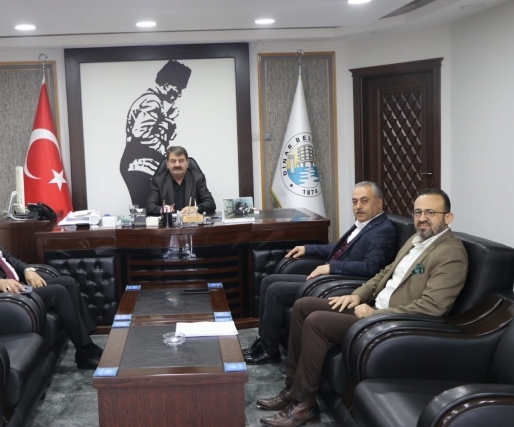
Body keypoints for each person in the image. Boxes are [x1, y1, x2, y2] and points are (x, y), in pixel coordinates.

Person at [256, 188, 468, 427]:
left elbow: (432, 307)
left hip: (390, 322)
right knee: (303, 306)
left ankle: (304, 405)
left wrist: (375, 313)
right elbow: (385, 273)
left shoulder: (451, 253)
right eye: (418, 212)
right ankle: (292, 389)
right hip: (372, 307)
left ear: (448, 217)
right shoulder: (416, 239)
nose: (422, 218)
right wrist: (357, 295)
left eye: (430, 212)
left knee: (316, 322)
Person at [0, 188, 102, 370]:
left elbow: (7, 258)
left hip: (16, 285)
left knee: (68, 282)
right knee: (57, 292)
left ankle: (87, 344)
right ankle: (85, 349)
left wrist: (27, 270)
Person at [244, 181, 397, 365]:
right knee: (268, 281)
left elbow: (373, 267)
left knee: (276, 290)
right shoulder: (363, 225)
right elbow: (338, 249)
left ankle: (269, 351)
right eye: (354, 201)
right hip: (329, 279)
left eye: (364, 201)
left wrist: (332, 267)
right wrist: (307, 248)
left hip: (339, 283)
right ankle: (264, 341)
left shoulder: (383, 230)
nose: (358, 206)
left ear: (379, 203)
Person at [120, 60, 192, 206]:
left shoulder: (154, 101)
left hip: (141, 164)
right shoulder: (152, 101)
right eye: (178, 88)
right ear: (166, 85)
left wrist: (167, 120)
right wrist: (165, 153)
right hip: (141, 165)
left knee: (148, 209)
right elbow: (141, 133)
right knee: (148, 209)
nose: (179, 94)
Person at [145, 145, 216, 215]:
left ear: (187, 163)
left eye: (181, 161)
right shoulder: (158, 181)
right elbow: (149, 206)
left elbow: (210, 204)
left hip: (191, 221)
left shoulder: (198, 178)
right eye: (173, 161)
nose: (177, 165)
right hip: (169, 222)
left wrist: (195, 208)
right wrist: (162, 209)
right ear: (167, 163)